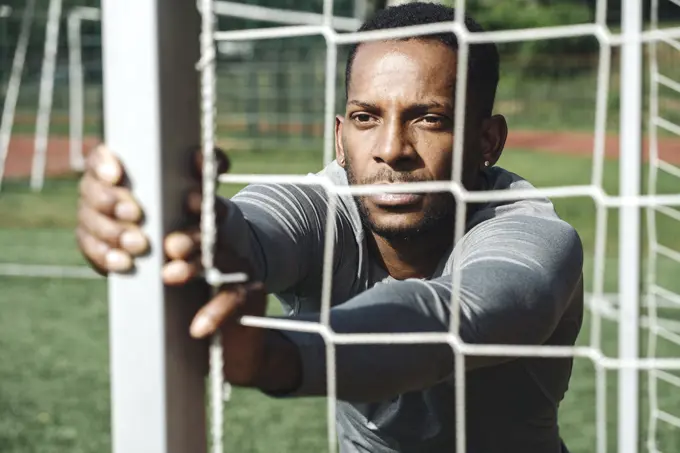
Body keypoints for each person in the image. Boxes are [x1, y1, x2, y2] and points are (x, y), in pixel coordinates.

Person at [76, 3, 583, 452]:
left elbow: (452, 318)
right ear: (340, 139)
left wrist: (273, 354)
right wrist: (163, 224)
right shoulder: (325, 206)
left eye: (429, 119)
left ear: (488, 141)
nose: (391, 149)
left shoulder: (533, 234)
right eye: (366, 117)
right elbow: (250, 229)